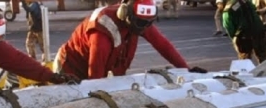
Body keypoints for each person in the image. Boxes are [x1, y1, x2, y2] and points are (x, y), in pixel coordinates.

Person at [54, 0, 206, 80]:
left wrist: (186, 69)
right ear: (125, 14)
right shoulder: (102, 32)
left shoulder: (139, 21)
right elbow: (95, 75)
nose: (143, 29)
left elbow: (163, 45)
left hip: (97, 70)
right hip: (70, 69)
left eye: (147, 24)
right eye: (140, 24)